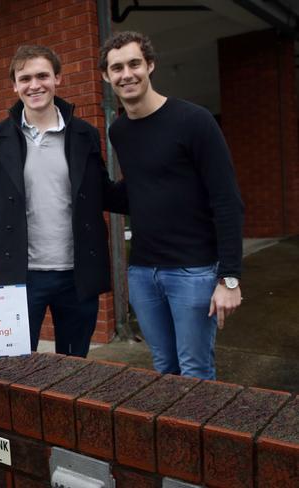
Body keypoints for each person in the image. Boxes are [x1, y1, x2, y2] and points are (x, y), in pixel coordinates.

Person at [99, 31, 244, 380]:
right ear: (106, 76)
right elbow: (139, 192)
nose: (126, 74)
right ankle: (175, 437)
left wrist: (230, 279)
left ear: (150, 65)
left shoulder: (193, 121)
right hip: (143, 273)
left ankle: (200, 437)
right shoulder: (119, 131)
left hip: (193, 272)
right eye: (116, 68)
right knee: (164, 370)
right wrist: (84, 183)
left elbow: (227, 200)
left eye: (134, 64)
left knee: (195, 371)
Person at [0, 45, 127, 357]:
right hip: (20, 275)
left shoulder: (84, 134)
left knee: (72, 363)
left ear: (58, 79)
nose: (34, 84)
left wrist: (152, 180)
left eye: (43, 75)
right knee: (15, 365)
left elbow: (102, 192)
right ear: (14, 85)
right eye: (25, 78)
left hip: (76, 274)